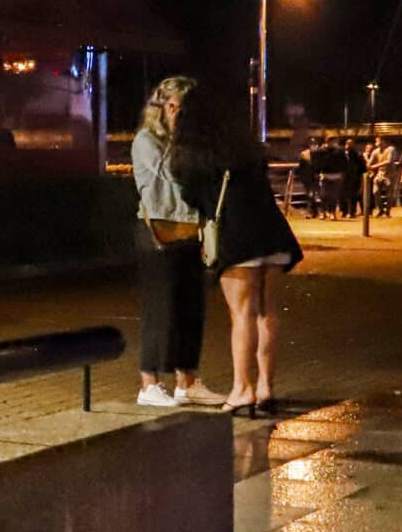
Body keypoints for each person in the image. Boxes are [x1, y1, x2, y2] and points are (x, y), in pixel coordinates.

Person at [169, 84, 303, 416]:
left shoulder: (193, 154)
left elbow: (192, 197)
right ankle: (265, 387)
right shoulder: (248, 148)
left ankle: (242, 389)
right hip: (273, 232)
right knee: (266, 310)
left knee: (241, 313)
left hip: (238, 235)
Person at [130, 77, 225, 408]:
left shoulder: (191, 143)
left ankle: (188, 381)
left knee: (191, 308)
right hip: (158, 232)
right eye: (172, 107)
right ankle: (149, 383)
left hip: (189, 229)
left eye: (184, 110)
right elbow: (172, 174)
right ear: (159, 107)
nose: (178, 115)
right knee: (161, 307)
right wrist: (179, 135)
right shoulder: (147, 140)